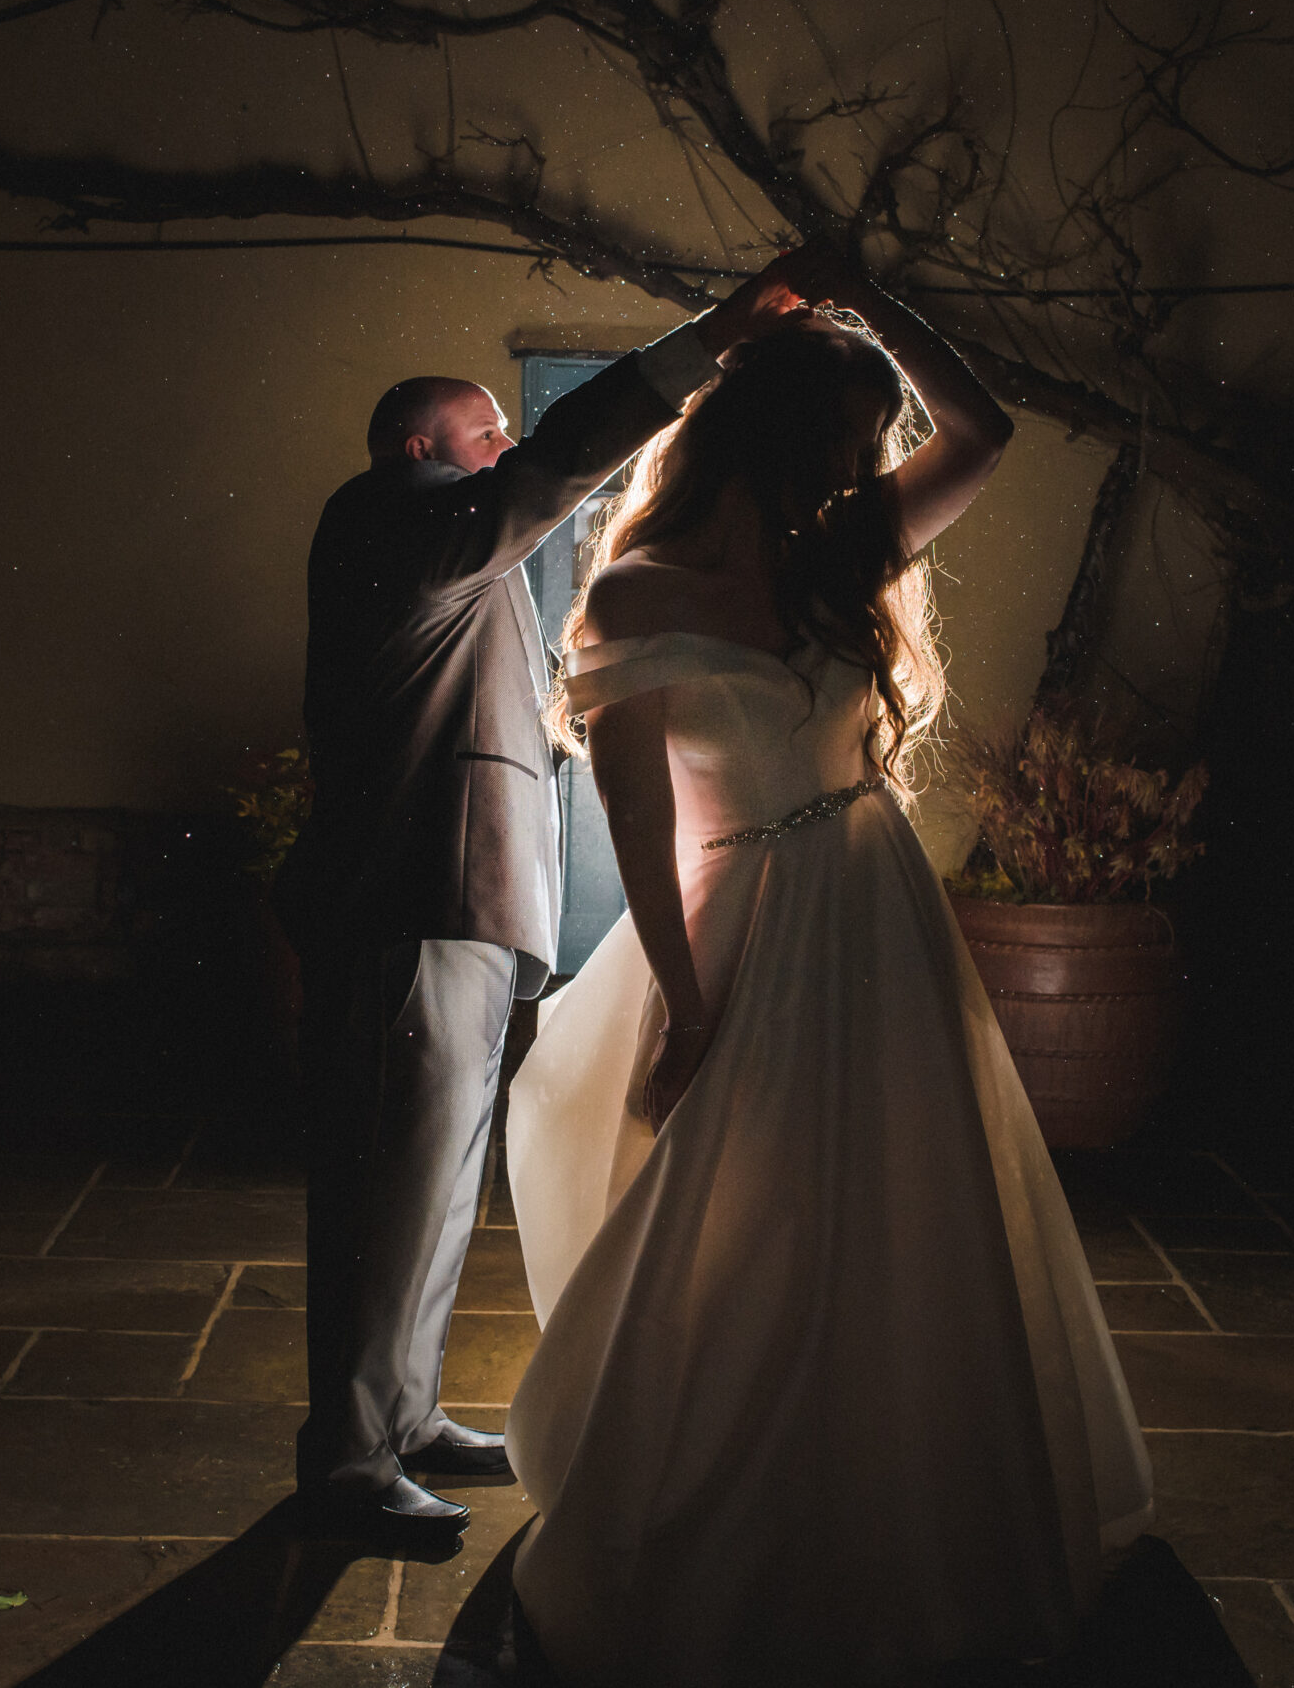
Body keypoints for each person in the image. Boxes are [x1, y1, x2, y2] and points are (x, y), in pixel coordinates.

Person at [502, 251, 1156, 1679]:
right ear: (791, 439)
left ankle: (906, 1497)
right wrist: (686, 1003)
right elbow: (633, 813)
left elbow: (981, 432)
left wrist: (870, 297)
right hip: (743, 919)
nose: (870, 465)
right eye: (855, 441)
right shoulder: (640, 590)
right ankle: (730, 1497)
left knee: (906, 1200)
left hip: (877, 906)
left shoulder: (841, 550)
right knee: (746, 1220)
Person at [275, 258, 812, 1526]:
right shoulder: (394, 515)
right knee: (383, 1190)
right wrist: (710, 344)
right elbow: (559, 461)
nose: (507, 443)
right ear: (422, 448)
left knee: (433, 1179)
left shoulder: (440, 546)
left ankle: (399, 1413)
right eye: (483, 429)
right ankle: (348, 1461)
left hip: (451, 904)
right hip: (410, 903)